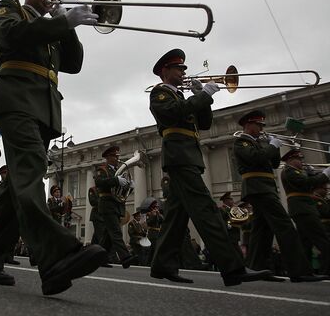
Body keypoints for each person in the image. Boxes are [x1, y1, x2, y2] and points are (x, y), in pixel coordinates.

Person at [0, 0, 106, 296]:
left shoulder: (52, 30)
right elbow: (9, 37)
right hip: (15, 101)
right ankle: (57, 257)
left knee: (17, 187)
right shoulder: (11, 9)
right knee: (31, 173)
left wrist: (68, 24)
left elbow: (73, 64)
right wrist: (58, 24)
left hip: (44, 110)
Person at [149, 49, 270, 286]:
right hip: (179, 157)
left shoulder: (182, 98)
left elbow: (204, 124)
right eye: (178, 69)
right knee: (207, 211)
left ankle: (162, 265)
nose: (183, 73)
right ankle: (233, 267)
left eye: (184, 69)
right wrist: (202, 95)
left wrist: (203, 98)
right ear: (165, 71)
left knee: (176, 216)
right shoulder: (160, 93)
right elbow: (171, 115)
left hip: (188, 157)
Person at [234, 109, 327, 282]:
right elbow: (256, 158)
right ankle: (299, 271)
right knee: (285, 226)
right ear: (248, 125)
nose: (261, 129)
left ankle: (257, 269)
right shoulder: (242, 142)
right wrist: (272, 146)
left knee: (262, 230)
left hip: (265, 188)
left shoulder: (258, 144)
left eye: (262, 125)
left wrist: (274, 147)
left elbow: (274, 163)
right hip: (257, 188)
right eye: (258, 125)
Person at [280, 149, 330, 275]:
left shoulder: (297, 172)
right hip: (303, 209)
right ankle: (326, 270)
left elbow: (311, 182)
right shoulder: (289, 171)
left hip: (302, 209)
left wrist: (313, 173)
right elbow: (307, 183)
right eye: (299, 159)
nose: (302, 162)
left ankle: (303, 271)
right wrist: (325, 174)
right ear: (291, 160)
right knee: (322, 239)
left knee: (305, 243)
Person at [94, 146, 133, 269]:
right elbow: (99, 183)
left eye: (118, 156)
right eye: (115, 156)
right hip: (107, 205)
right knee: (116, 232)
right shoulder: (102, 169)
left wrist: (129, 186)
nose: (117, 158)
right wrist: (116, 180)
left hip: (116, 205)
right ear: (108, 157)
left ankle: (99, 258)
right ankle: (125, 257)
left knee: (107, 237)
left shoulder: (118, 171)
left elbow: (121, 190)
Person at [0, 165, 20, 265]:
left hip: (10, 211)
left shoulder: (12, 185)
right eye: (4, 173)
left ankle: (9, 256)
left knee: (12, 234)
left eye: (7, 173)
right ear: (1, 174)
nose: (6, 175)